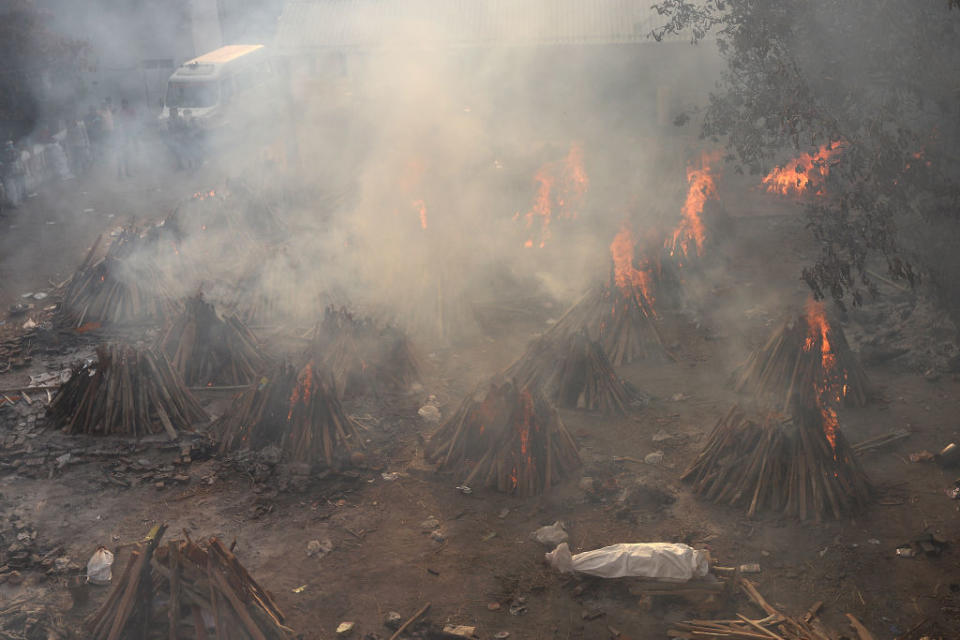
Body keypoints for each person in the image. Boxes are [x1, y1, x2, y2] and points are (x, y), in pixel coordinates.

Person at [1, 140, 26, 208]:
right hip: (9, 174)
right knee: (12, 189)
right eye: (9, 145)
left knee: (16, 188)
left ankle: (16, 202)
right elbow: (7, 161)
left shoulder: (14, 151)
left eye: (10, 145)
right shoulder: (4, 153)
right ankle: (13, 203)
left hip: (14, 172)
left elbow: (18, 157)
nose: (10, 146)